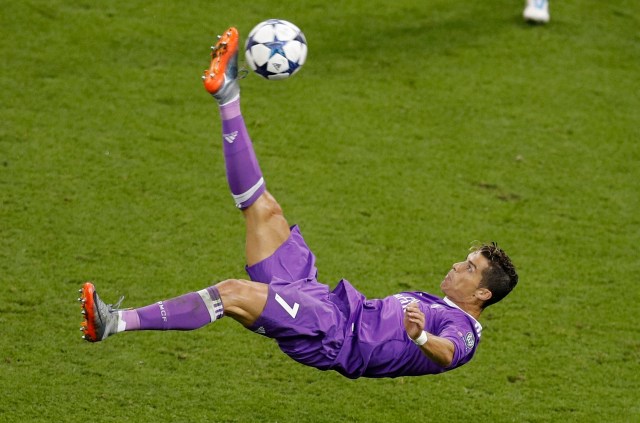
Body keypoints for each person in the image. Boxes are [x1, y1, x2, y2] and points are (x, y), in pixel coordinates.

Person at [78, 27, 518, 379]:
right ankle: (227, 96)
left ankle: (114, 322)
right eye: (465, 260)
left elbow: (446, 354)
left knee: (231, 293)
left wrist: (422, 339)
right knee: (264, 209)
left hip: (329, 332)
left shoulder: (462, 331)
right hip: (322, 298)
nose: (457, 267)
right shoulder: (437, 302)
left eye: (469, 268)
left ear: (481, 293)